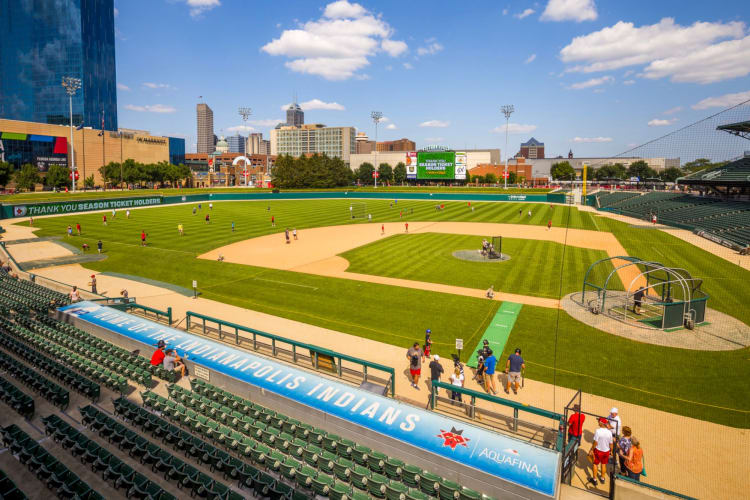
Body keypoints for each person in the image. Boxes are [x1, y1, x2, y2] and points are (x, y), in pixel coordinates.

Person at [589, 417, 614, 486]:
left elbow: (595, 443)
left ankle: (594, 480)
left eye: (599, 421)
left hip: (598, 451)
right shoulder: (609, 432)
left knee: (595, 464)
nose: (598, 422)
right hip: (606, 451)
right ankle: (603, 478)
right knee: (603, 464)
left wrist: (591, 450)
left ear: (601, 423)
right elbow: (611, 444)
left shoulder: (598, 431)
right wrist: (611, 451)